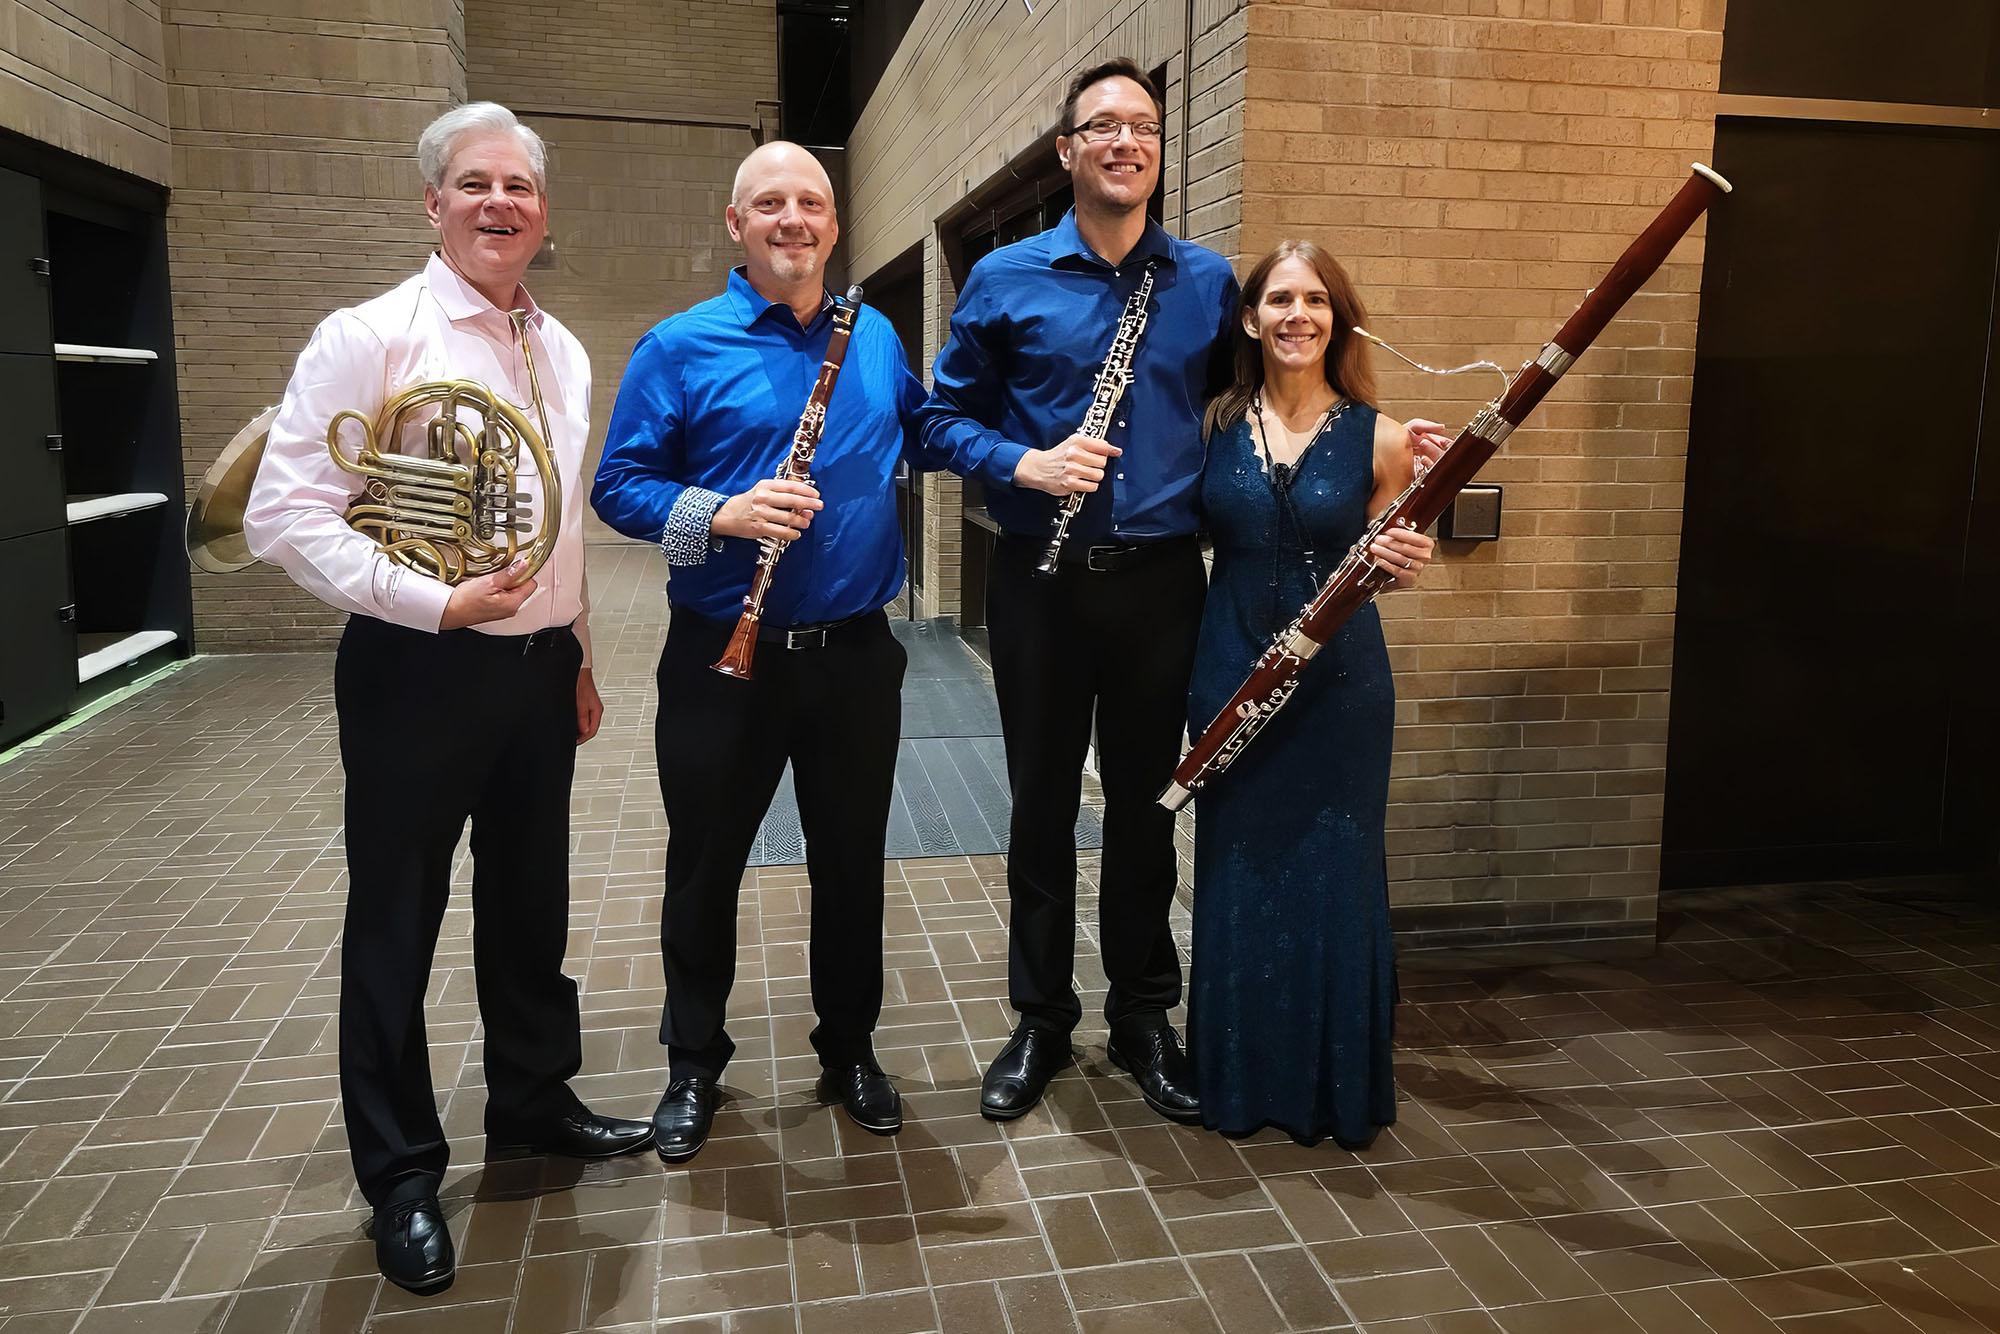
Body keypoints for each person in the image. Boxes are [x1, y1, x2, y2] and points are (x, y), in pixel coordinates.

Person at [242, 103, 655, 1294]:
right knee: (395, 924)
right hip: (416, 665)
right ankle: (401, 1172)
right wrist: (432, 602)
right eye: (474, 184)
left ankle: (530, 1101)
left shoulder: (562, 350)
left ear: (541, 211)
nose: (498, 204)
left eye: (518, 187)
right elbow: (282, 514)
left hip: (532, 672)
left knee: (530, 906)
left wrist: (574, 649)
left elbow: (549, 519)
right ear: (433, 203)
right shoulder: (367, 333)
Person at [592, 141, 954, 1162]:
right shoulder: (677, 345)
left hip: (851, 657)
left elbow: (925, 431)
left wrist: (1025, 449)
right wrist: (719, 512)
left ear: (834, 226)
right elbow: (617, 487)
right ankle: (692, 1062)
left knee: (850, 865)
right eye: (770, 204)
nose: (791, 219)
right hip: (720, 654)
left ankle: (848, 1049)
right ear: (735, 223)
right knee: (703, 865)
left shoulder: (872, 335)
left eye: (810, 203)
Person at [915, 59, 1239, 1124]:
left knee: (1150, 809)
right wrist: (1022, 463)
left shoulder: (1203, 280)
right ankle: (1042, 1016)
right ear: (1065, 150)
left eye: (1142, 126)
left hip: (1158, 584)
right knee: (1042, 804)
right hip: (1039, 585)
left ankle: (1144, 1012)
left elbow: (1273, 395)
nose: (1124, 142)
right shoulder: (1005, 278)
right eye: (1101, 126)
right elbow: (938, 421)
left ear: (1157, 149)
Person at [1185, 240, 1436, 1149]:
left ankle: (1334, 1086)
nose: (1299, 315)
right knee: (1238, 871)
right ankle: (1238, 1078)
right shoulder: (1212, 422)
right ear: (1250, 319)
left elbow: (1390, 561)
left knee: (1334, 871)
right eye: (1280, 299)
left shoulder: (1386, 435)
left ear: (1339, 317)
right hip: (1230, 674)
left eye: (1318, 300)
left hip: (1341, 689)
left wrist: (1413, 554)